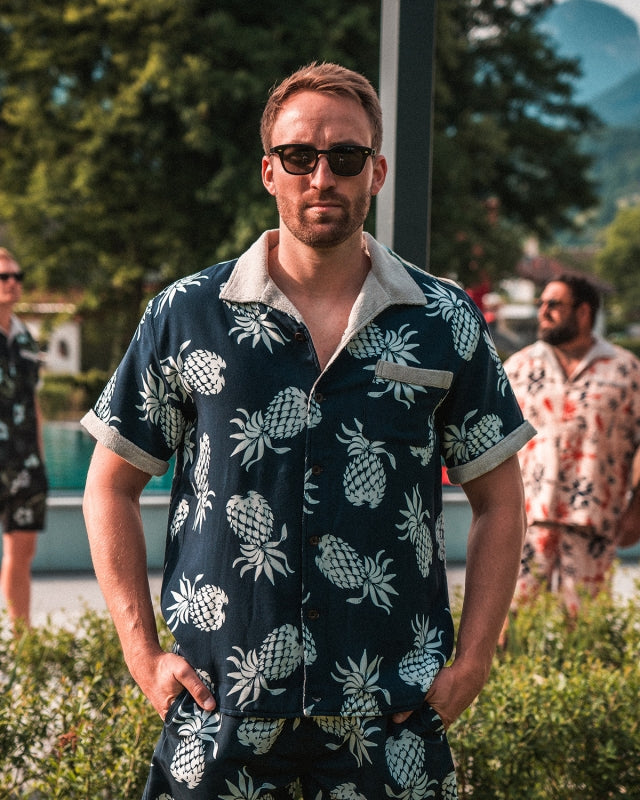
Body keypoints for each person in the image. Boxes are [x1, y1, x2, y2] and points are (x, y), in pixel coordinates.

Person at [82, 62, 534, 800]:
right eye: (300, 156)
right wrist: (142, 655)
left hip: (390, 713)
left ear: (377, 170)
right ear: (270, 170)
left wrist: (474, 660)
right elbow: (110, 483)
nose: (322, 175)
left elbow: (500, 497)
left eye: (345, 157)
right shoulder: (186, 314)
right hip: (218, 705)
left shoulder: (443, 320)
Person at [504, 273, 640, 614]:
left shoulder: (626, 371)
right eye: (541, 304)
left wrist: (637, 511)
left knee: (580, 629)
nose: (543, 312)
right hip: (525, 519)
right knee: (510, 625)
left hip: (593, 521)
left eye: (553, 304)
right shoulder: (517, 368)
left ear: (583, 313)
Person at [0, 247, 48, 630]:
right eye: (4, 277)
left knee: (23, 550)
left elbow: (33, 402)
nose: (13, 283)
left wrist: (41, 459)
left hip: (25, 462)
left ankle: (21, 640)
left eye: (17, 276)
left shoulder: (26, 338)